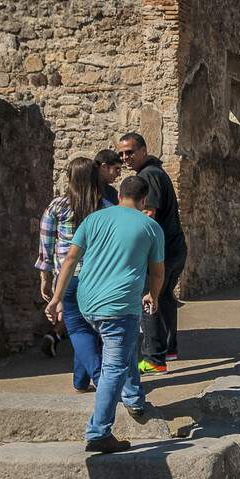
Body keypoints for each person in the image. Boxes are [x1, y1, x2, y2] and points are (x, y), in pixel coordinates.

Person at [48, 174, 164, 453]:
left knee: (126, 347)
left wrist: (56, 298)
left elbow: (70, 260)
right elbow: (158, 272)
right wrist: (154, 295)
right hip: (119, 305)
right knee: (114, 365)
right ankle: (98, 431)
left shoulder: (93, 219)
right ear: (144, 199)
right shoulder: (150, 227)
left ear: (120, 194)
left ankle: (134, 397)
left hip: (88, 302)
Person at [35, 156, 112, 390]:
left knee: (78, 329)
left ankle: (99, 379)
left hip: (68, 279)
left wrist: (45, 279)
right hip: (98, 279)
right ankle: (80, 380)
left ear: (69, 178)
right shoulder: (105, 208)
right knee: (90, 330)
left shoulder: (56, 207)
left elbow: (46, 247)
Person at [118, 132, 185, 373]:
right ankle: (169, 348)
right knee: (165, 296)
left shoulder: (149, 176)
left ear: (144, 150)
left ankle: (154, 359)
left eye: (130, 152)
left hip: (161, 251)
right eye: (122, 153)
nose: (125, 158)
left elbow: (148, 214)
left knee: (149, 298)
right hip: (173, 248)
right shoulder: (154, 173)